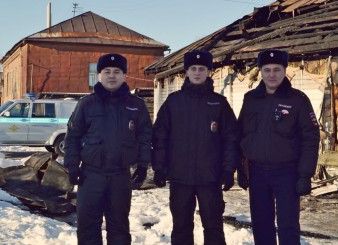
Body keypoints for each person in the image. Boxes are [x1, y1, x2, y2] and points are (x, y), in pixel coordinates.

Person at [152, 50, 239, 245]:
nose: (197, 72)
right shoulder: (174, 102)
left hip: (210, 178)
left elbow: (231, 139)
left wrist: (227, 170)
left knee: (214, 226)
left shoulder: (219, 103)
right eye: (193, 69)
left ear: (209, 72)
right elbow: (160, 136)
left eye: (202, 69)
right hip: (180, 177)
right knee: (181, 226)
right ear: (187, 72)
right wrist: (159, 167)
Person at [64, 53, 152, 245]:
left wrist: (143, 165)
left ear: (124, 75)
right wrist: (72, 166)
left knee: (119, 226)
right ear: (100, 75)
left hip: (120, 176)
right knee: (88, 227)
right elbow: (72, 137)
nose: (112, 76)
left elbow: (145, 136)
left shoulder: (135, 105)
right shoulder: (86, 104)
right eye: (107, 72)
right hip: (90, 175)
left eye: (117, 72)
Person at [237, 49, 320, 245]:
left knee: (288, 226)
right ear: (260, 72)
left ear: (285, 71)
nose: (272, 75)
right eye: (267, 70)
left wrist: (305, 174)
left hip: (287, 173)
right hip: (257, 172)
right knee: (261, 224)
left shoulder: (298, 100)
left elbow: (310, 138)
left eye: (277, 70)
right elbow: (240, 134)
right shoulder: (251, 100)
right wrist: (240, 167)